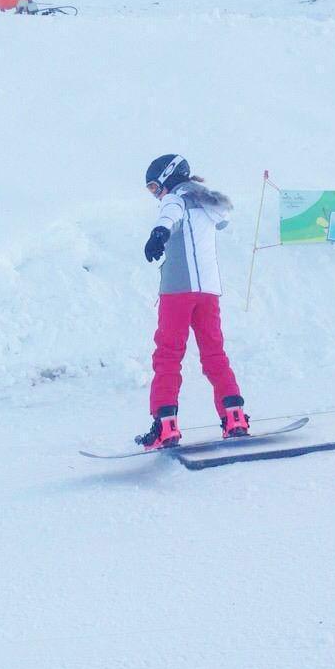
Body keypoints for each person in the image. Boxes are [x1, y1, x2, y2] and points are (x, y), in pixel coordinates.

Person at [136, 154, 250, 450]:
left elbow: (169, 214)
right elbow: (222, 219)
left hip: (177, 290)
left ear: (168, 177)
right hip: (208, 291)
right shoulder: (206, 203)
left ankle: (165, 425)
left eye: (154, 187)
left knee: (168, 354)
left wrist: (159, 233)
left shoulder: (174, 199)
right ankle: (234, 416)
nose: (155, 194)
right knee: (214, 352)